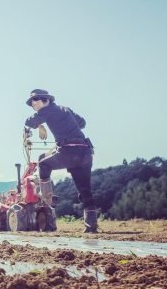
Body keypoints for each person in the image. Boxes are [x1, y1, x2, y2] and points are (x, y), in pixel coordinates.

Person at [24, 89, 98, 233]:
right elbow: (82, 122)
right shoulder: (66, 109)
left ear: (46, 100)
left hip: (68, 152)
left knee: (44, 163)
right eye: (33, 105)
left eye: (36, 102)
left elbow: (29, 122)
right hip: (85, 152)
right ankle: (91, 225)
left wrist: (40, 122)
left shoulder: (47, 110)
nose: (34, 106)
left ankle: (46, 198)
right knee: (85, 191)